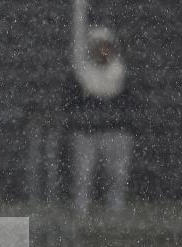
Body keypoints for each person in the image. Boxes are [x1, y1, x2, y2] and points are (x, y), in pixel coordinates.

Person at [65, 0, 135, 214]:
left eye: (106, 46)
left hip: (116, 133)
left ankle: (115, 218)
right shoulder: (83, 71)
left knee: (117, 179)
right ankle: (81, 215)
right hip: (86, 133)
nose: (102, 51)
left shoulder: (119, 71)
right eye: (98, 46)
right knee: (82, 180)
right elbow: (77, 41)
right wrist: (79, 7)